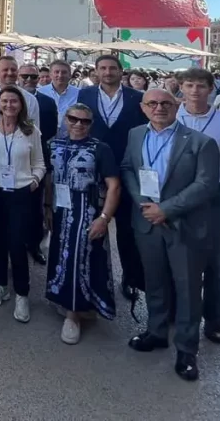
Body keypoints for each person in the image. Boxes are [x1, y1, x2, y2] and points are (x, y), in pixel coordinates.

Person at [123, 88, 220, 382]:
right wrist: (143, 203)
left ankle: (187, 351)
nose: (159, 108)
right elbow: (128, 169)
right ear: (143, 107)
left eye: (166, 103)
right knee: (155, 281)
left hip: (183, 225)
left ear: (177, 106)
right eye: (152, 103)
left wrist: (165, 209)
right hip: (147, 222)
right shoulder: (135, 135)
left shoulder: (201, 142)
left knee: (187, 288)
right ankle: (156, 332)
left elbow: (205, 185)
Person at [174, 68, 220, 345]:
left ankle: (215, 321)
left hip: (213, 197)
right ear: (181, 87)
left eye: (201, 86)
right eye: (189, 85)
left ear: (211, 89)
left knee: (217, 264)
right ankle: (180, 316)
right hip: (177, 196)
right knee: (179, 262)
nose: (195, 91)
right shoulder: (170, 116)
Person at [45, 102, 120, 344]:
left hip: (86, 209)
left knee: (80, 258)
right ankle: (63, 298)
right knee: (60, 255)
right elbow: (48, 177)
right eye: (73, 119)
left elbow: (114, 186)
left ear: (91, 124)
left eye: (85, 121)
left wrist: (104, 218)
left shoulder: (100, 148)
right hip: (59, 208)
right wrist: (46, 206)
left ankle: (73, 314)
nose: (78, 124)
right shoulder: (53, 144)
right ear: (65, 119)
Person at [77, 54, 148, 301]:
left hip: (127, 168)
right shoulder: (85, 95)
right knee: (92, 223)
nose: (107, 72)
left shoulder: (136, 97)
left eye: (112, 68)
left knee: (127, 230)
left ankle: (131, 278)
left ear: (120, 71)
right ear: (96, 72)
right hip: (93, 170)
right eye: (103, 68)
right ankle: (92, 278)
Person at [0, 86, 46, 323]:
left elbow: (40, 163)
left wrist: (34, 181)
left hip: (19, 192)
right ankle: (0, 284)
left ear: (21, 105)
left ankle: (22, 293)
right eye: (5, 101)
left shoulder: (31, 130)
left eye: (14, 101)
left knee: (17, 243)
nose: (9, 105)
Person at [18, 63, 57, 266]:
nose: (29, 80)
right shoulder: (8, 97)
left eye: (33, 77)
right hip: (12, 158)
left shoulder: (47, 102)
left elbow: (50, 130)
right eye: (25, 76)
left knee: (35, 205)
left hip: (36, 156)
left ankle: (34, 245)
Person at [0, 56, 41, 137]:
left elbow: (33, 127)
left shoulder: (30, 99)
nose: (10, 73)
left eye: (13, 70)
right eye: (5, 70)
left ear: (18, 72)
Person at [38, 60, 80, 136]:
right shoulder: (40, 93)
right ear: (50, 74)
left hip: (71, 137)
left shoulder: (79, 93)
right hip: (45, 137)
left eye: (64, 72)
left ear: (70, 75)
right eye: (56, 72)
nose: (60, 75)